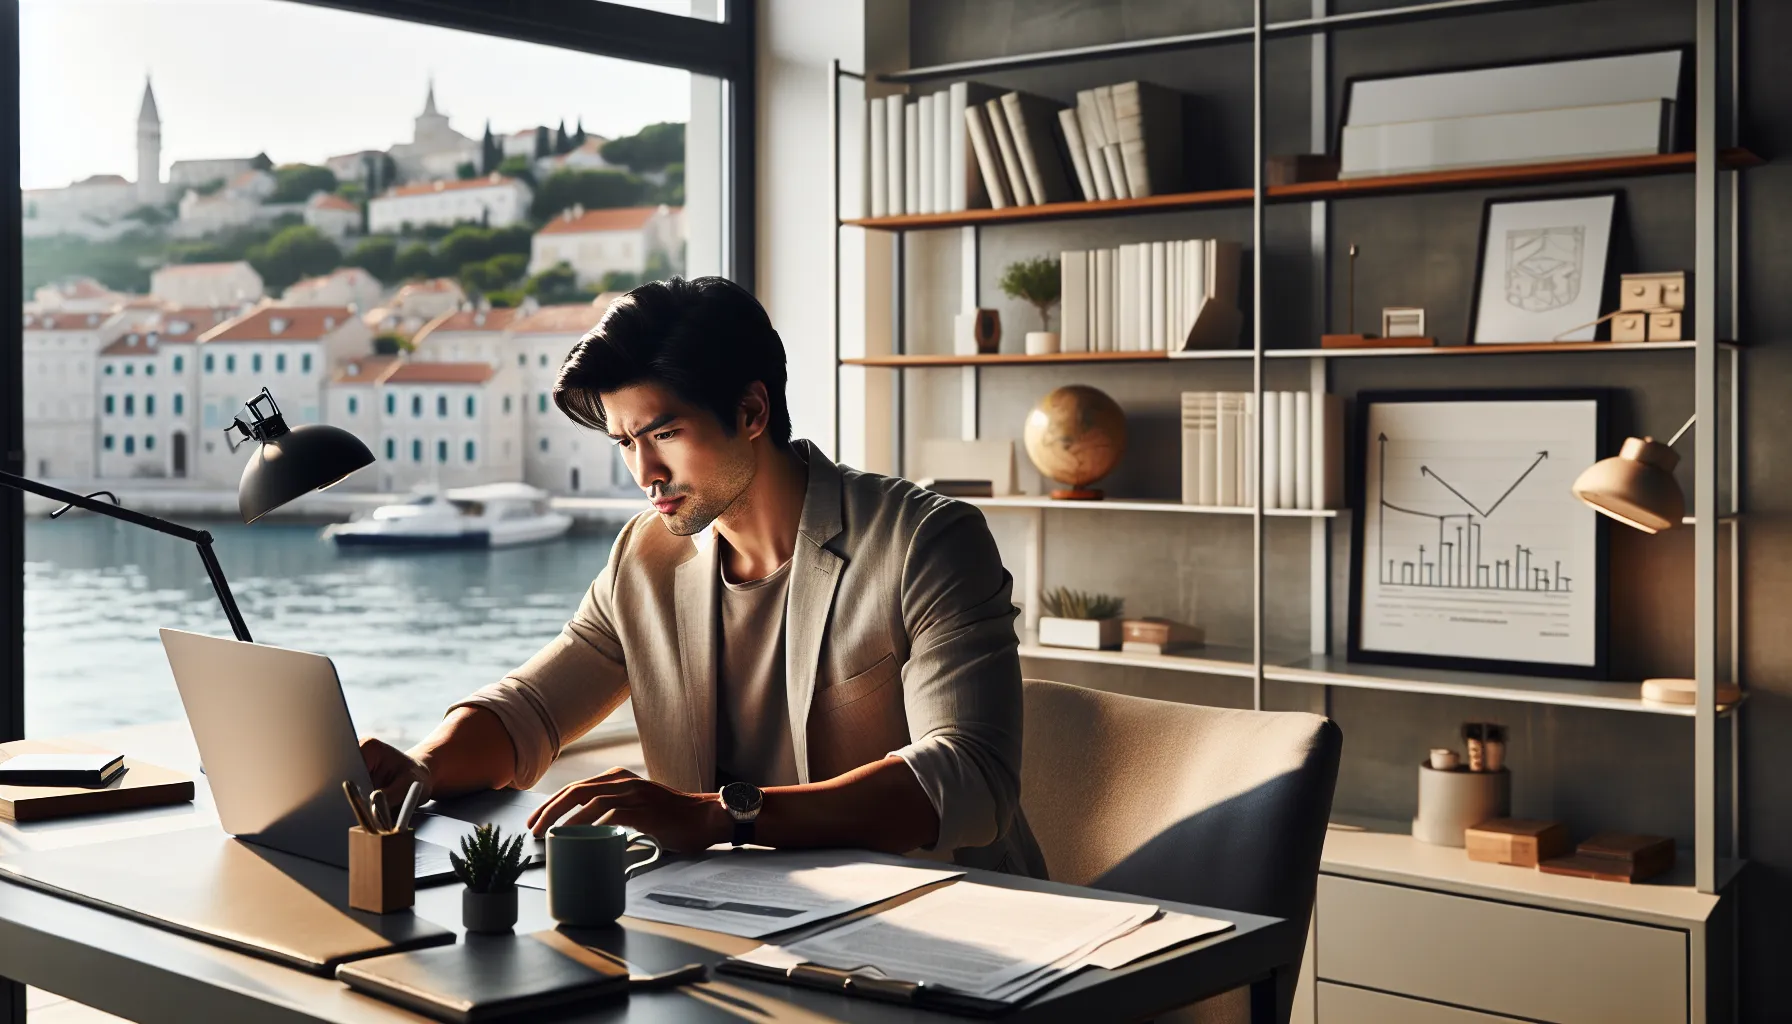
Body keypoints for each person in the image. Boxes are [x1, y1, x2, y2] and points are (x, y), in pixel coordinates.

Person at [361, 276, 1043, 874]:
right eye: (626, 442)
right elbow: (531, 708)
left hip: (940, 916)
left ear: (751, 412)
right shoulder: (646, 557)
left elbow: (972, 778)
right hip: (735, 919)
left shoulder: (926, 540)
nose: (644, 473)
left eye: (663, 434)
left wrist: (723, 816)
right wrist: (423, 768)